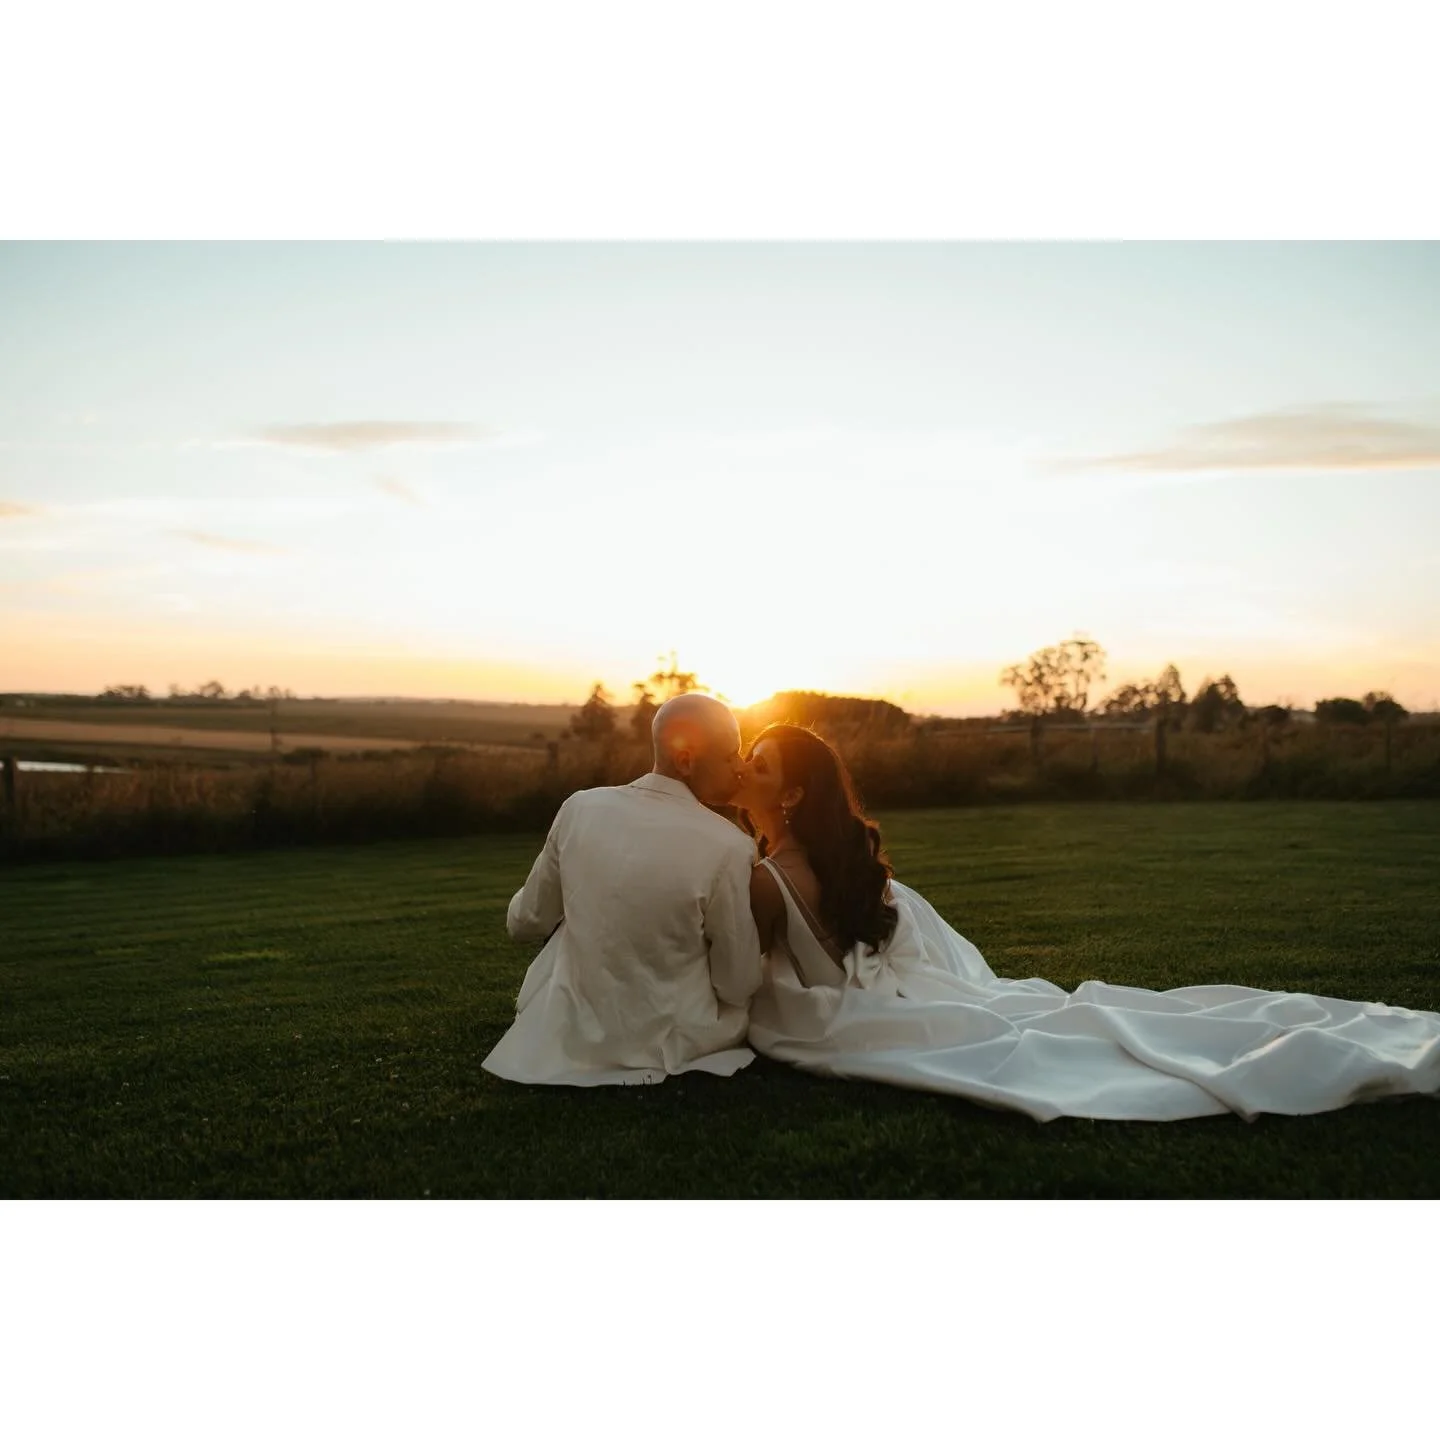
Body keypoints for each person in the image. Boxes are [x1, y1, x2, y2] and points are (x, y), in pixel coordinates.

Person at [737, 723, 1440, 1122]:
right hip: (894, 996)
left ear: (792, 793)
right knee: (1072, 1019)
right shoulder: (836, 863)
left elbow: (736, 979)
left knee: (1064, 1041)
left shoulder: (766, 881)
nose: (742, 770)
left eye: (757, 765)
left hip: (863, 1014)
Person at [483, 693, 763, 1086]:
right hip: (671, 1037)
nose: (740, 766)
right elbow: (737, 984)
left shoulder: (579, 808)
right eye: (731, 755)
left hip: (569, 1032)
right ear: (686, 761)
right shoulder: (731, 845)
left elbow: (525, 923)